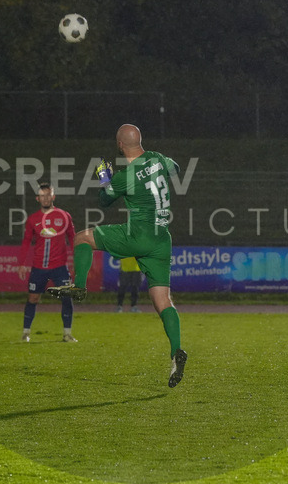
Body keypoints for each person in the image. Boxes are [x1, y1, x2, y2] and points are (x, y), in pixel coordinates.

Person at [47, 124, 187, 388]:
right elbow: (175, 168)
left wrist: (105, 178)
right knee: (163, 300)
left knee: (82, 238)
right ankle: (176, 352)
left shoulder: (126, 177)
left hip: (138, 234)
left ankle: (79, 286)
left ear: (120, 145)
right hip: (161, 238)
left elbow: (104, 200)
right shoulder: (157, 158)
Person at [17, 182, 77, 343]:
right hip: (39, 268)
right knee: (33, 298)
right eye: (42, 195)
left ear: (53, 196)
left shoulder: (64, 216)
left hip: (59, 267)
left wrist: (77, 259)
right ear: (38, 198)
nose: (45, 198)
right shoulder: (33, 219)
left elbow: (72, 238)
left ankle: (67, 334)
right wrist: (21, 263)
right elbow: (26, 241)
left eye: (48, 195)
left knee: (66, 297)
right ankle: (26, 332)